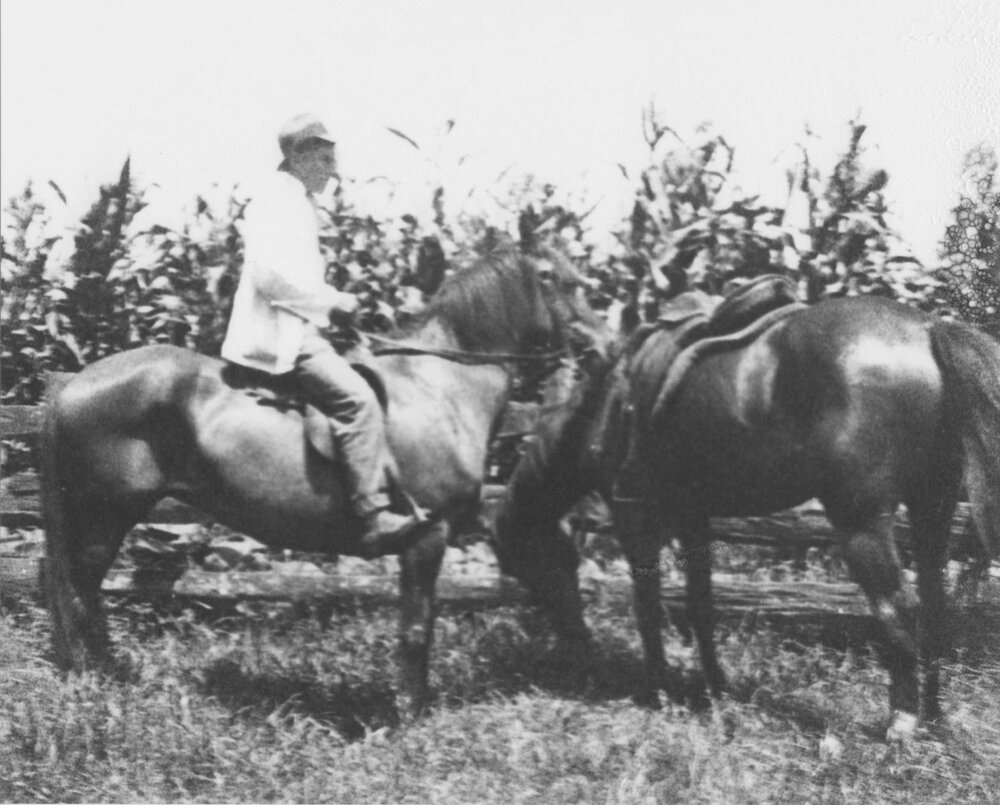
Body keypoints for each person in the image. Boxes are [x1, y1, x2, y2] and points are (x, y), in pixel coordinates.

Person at [221, 112, 423, 551]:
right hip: (281, 335)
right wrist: (333, 302)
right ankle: (372, 515)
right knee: (358, 401)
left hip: (301, 325)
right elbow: (270, 278)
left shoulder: (295, 201)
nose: (332, 170)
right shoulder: (277, 200)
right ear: (297, 156)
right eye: (324, 159)